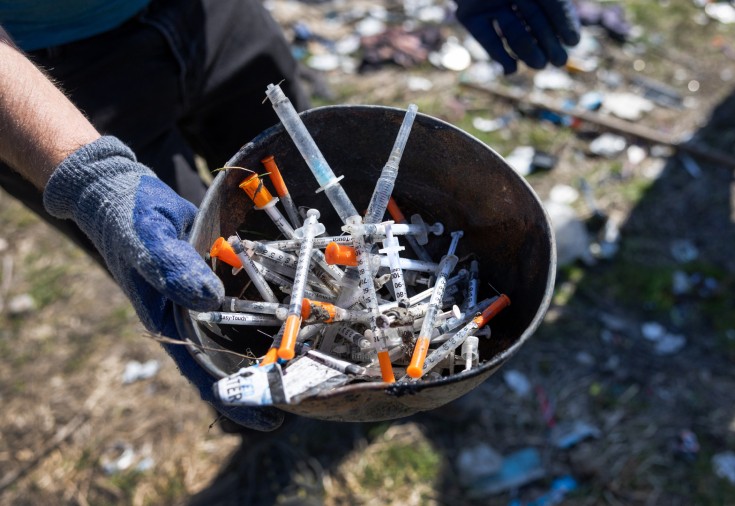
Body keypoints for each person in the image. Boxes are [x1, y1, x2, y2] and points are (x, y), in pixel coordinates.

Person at [0, 0, 580, 432]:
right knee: (193, 282)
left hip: (211, 13)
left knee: (311, 186)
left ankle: (317, 392)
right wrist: (93, 180)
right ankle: (280, 406)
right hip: (40, 79)